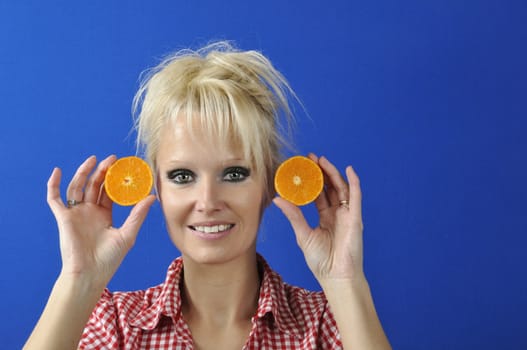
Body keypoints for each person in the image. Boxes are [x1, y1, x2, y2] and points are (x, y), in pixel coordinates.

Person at [24, 41, 391, 349]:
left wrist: (345, 281)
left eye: (234, 173)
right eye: (182, 176)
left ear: (268, 185)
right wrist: (79, 279)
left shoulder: (327, 323)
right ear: (159, 190)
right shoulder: (115, 325)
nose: (208, 200)